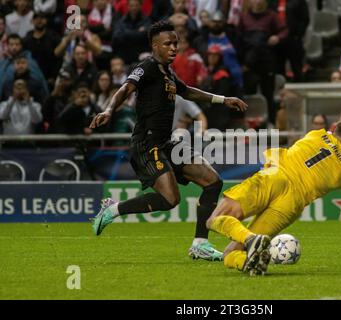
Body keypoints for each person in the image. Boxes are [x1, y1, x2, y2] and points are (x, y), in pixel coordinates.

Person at [88, 21, 247, 261]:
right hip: (147, 144)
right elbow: (125, 88)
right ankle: (113, 209)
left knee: (213, 182)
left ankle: (200, 244)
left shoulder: (168, 73)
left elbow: (188, 91)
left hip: (167, 143)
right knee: (170, 199)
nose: (174, 47)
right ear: (155, 46)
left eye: (176, 43)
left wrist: (223, 99)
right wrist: (109, 110)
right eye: (168, 44)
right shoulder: (147, 67)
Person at [206, 121, 341, 275]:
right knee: (230, 254)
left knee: (214, 219)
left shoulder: (317, 134)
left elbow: (328, 141)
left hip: (275, 178)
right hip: (291, 205)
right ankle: (245, 261)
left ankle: (250, 239)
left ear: (333, 130)